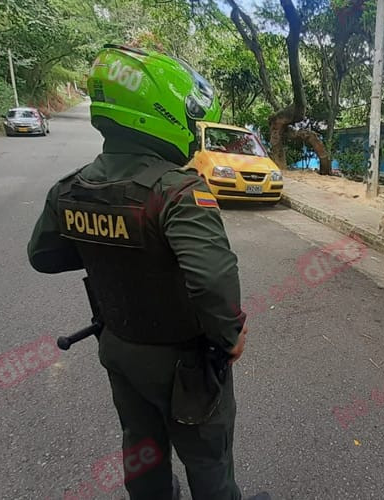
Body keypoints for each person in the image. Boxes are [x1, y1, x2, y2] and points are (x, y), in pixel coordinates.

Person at [27, 44, 264, 500]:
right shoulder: (179, 191)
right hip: (186, 363)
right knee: (208, 458)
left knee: (142, 447)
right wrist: (231, 335)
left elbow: (44, 255)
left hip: (120, 348)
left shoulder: (71, 188)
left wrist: (108, 246)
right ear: (159, 111)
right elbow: (213, 279)